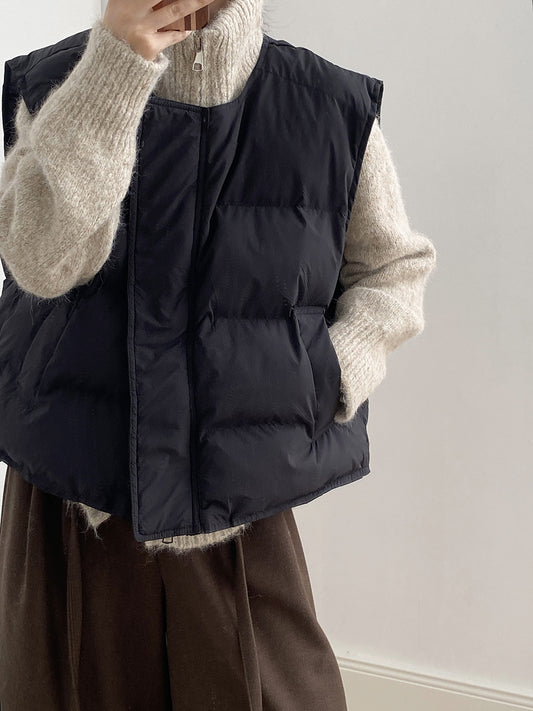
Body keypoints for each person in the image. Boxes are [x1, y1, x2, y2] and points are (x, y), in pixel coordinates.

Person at [0, 0, 437, 708]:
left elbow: (393, 269)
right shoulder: (53, 83)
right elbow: (40, 262)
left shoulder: (327, 106)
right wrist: (112, 68)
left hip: (243, 500)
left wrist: (329, 375)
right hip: (72, 499)